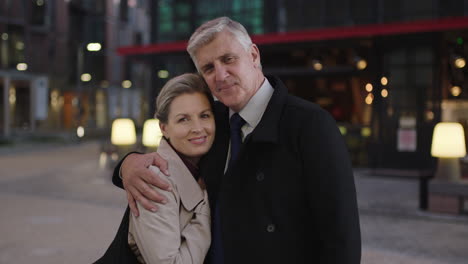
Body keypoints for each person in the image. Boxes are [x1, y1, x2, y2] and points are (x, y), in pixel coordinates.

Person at [113, 17, 361, 264]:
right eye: (208, 68)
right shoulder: (211, 124)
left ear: (253, 55)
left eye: (228, 59)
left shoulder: (310, 124)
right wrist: (128, 164)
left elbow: (341, 236)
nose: (220, 75)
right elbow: (173, 159)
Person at [96, 73, 214, 264]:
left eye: (204, 115)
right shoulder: (158, 181)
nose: (198, 127)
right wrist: (204, 210)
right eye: (183, 119)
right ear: (164, 128)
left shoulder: (201, 166)